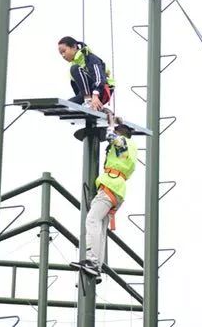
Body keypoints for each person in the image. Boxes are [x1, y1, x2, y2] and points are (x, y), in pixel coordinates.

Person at [70, 117, 137, 281]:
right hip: (118, 189)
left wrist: (111, 124)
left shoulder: (121, 140)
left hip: (110, 185)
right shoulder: (133, 148)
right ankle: (97, 266)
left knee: (92, 220)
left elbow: (111, 137)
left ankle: (92, 262)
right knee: (100, 227)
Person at [57, 36, 115, 111]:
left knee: (75, 69)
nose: (63, 55)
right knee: (66, 105)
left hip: (101, 90)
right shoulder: (75, 63)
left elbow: (99, 77)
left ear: (74, 47)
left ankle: (88, 101)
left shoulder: (89, 57)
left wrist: (95, 94)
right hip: (87, 94)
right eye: (61, 53)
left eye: (64, 51)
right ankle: (98, 108)